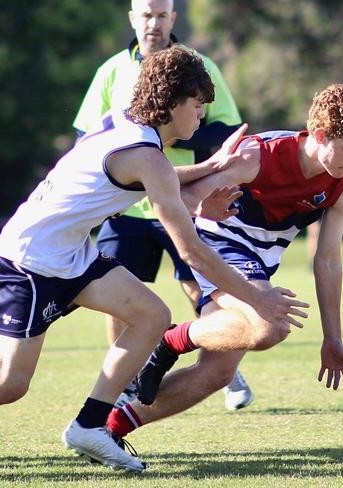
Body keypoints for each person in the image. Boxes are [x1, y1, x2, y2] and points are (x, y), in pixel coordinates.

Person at [0, 46, 308, 473]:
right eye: (196, 105)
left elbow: (162, 178)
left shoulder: (129, 127)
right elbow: (191, 249)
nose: (201, 116)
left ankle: (90, 425)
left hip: (71, 255)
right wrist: (255, 298)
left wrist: (212, 165)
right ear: (173, 102)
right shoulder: (147, 155)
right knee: (8, 384)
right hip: (29, 261)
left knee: (152, 315)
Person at [104, 84, 343, 458]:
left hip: (257, 263)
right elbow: (179, 199)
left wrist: (333, 338)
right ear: (319, 135)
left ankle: (110, 428)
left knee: (217, 373)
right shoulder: (258, 155)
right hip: (217, 247)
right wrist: (203, 209)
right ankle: (171, 342)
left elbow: (327, 260)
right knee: (270, 326)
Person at [73, 0, 254, 411]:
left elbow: (226, 126)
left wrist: (165, 133)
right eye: (146, 15)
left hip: (182, 200)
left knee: (200, 287)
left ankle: (224, 365)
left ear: (173, 19)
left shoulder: (196, 65)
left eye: (161, 15)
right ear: (133, 18)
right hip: (126, 207)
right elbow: (87, 136)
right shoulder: (111, 70)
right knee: (116, 293)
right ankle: (123, 382)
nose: (153, 23)